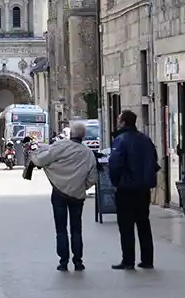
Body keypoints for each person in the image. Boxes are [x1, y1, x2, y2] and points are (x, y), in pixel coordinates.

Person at [30, 121, 99, 272]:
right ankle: (78, 261)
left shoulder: (60, 147)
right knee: (76, 229)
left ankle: (63, 262)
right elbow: (93, 178)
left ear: (71, 134)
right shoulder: (88, 153)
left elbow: (41, 160)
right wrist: (81, 186)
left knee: (61, 229)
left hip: (59, 193)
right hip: (77, 195)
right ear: (83, 136)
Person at [108, 110, 160, 270]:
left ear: (123, 123)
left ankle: (128, 260)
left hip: (126, 189)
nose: (117, 122)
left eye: (118, 119)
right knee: (143, 223)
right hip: (143, 189)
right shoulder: (145, 140)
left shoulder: (120, 140)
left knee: (126, 226)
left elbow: (114, 164)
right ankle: (147, 259)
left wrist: (116, 182)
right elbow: (154, 159)